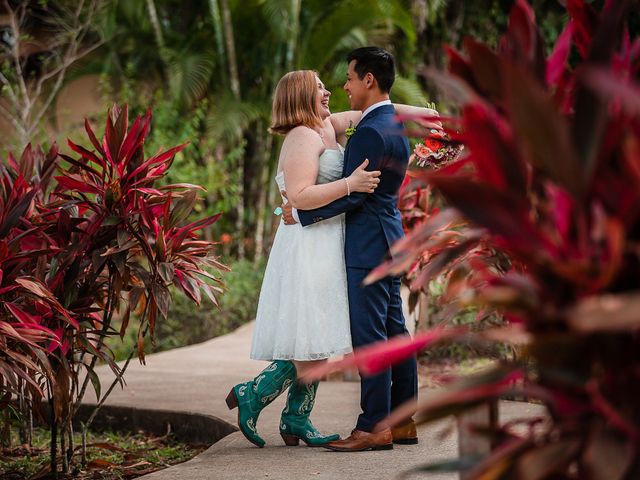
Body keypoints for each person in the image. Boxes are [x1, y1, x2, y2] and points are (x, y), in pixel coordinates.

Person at [226, 61, 439, 449]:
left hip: (332, 237)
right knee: (314, 336)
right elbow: (300, 197)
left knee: (323, 336)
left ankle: (294, 417)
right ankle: (256, 395)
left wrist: (427, 115)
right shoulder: (303, 137)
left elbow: (374, 111)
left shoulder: (328, 125)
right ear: (302, 96)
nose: (331, 91)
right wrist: (350, 183)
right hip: (309, 242)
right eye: (321, 87)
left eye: (335, 84)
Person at [283, 47, 422, 452]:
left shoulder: (372, 131)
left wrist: (303, 214)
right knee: (396, 331)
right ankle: (404, 419)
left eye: (348, 77)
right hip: (389, 236)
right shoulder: (391, 122)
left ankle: (373, 427)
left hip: (367, 243)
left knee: (371, 337)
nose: (344, 85)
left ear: (368, 80)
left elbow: (357, 194)